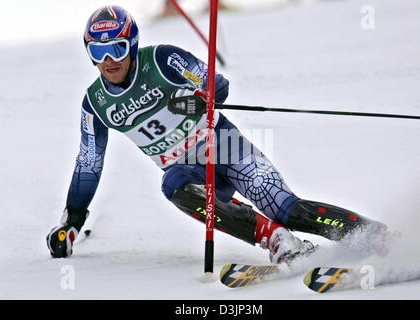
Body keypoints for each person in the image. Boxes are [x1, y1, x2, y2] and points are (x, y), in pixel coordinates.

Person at [47, 5, 386, 264]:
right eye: (97, 52)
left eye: (118, 49)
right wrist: (72, 221)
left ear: (132, 44)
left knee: (288, 209)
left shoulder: (164, 59)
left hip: (225, 146)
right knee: (174, 185)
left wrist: (202, 95)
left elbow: (216, 82)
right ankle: (277, 240)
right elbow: (88, 164)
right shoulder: (96, 103)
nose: (109, 61)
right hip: (190, 171)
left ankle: (376, 237)